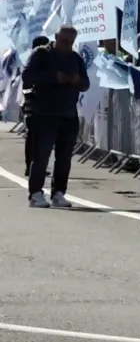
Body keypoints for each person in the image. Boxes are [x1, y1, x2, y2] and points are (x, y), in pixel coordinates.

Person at [23, 26, 88, 208]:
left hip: (68, 114)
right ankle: (35, 193)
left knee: (64, 157)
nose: (67, 45)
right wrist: (54, 77)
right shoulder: (41, 54)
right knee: (41, 156)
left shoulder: (75, 58)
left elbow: (86, 83)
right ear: (56, 37)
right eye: (64, 41)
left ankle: (58, 193)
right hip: (44, 113)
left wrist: (76, 81)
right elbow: (27, 75)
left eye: (70, 42)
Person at [21, 35, 51, 178]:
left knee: (35, 136)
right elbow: (27, 82)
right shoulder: (34, 61)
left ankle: (34, 166)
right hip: (33, 102)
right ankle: (31, 166)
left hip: (36, 103)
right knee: (34, 136)